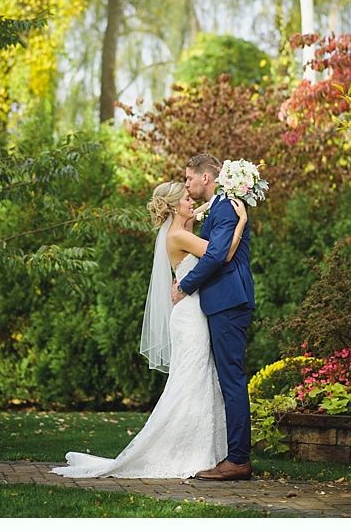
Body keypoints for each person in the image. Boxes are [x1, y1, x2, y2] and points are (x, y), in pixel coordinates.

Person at [51, 181, 247, 478]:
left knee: (198, 380)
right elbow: (221, 254)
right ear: (173, 208)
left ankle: (204, 450)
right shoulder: (179, 235)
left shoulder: (180, 230)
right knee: (191, 381)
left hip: (193, 310)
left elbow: (201, 214)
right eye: (185, 200)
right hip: (191, 317)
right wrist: (241, 223)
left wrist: (211, 203)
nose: (191, 201)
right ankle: (186, 451)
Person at [174, 153, 256, 481]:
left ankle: (238, 460)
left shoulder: (224, 206)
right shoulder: (220, 205)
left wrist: (185, 285)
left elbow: (217, 255)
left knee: (232, 380)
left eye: (189, 178)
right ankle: (233, 455)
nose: (187, 184)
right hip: (223, 301)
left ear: (205, 178)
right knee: (228, 379)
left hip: (228, 301)